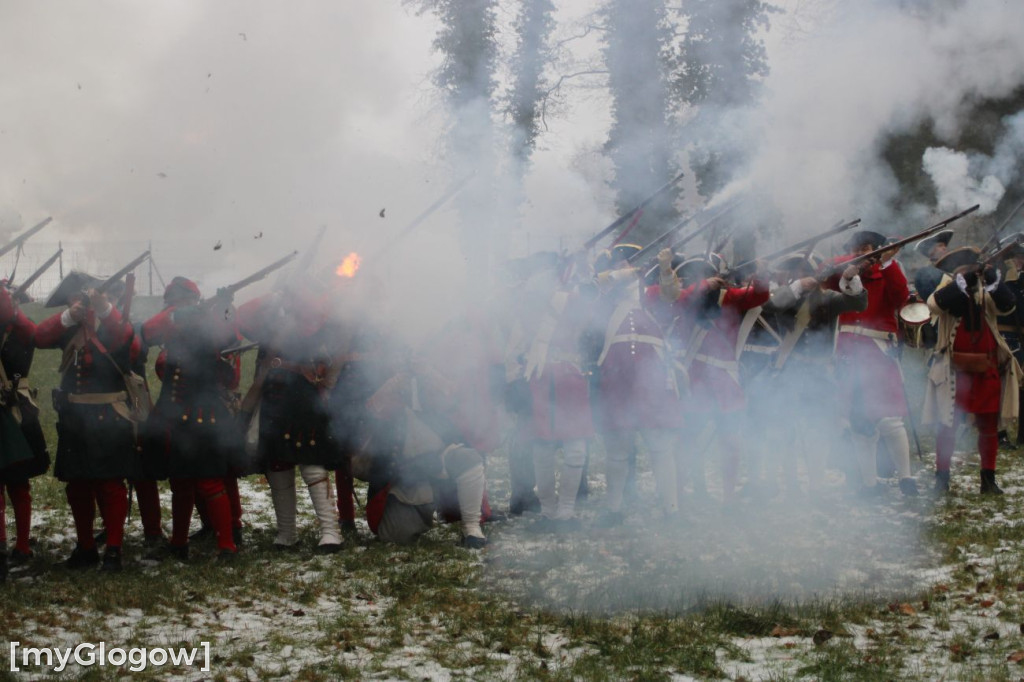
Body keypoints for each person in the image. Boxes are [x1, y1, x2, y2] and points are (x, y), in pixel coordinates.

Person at [34, 273, 141, 571]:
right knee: (77, 486)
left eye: (82, 299)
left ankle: (114, 550)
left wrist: (104, 307)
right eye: (73, 299)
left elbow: (125, 336)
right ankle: (86, 546)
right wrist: (68, 316)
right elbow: (39, 337)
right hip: (75, 418)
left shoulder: (112, 323)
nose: (79, 303)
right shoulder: (69, 327)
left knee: (110, 484)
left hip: (109, 415)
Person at [236, 281, 344, 552]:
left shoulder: (319, 324)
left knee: (312, 466)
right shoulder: (273, 323)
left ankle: (331, 531)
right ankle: (286, 533)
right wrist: (275, 293)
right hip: (274, 400)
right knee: (278, 468)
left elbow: (322, 366)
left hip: (305, 403)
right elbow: (242, 317)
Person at [654, 250, 771, 504]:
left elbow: (759, 295)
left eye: (708, 274)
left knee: (730, 442)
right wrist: (703, 285)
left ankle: (728, 497)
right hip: (695, 380)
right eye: (698, 275)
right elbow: (673, 295)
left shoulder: (729, 297)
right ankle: (684, 494)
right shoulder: (685, 298)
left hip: (726, 382)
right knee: (688, 441)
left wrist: (762, 274)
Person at [140, 277, 243, 560]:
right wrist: (178, 313)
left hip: (205, 415)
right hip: (173, 418)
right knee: (181, 483)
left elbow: (230, 338)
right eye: (174, 302)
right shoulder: (171, 323)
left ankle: (227, 545)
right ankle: (178, 542)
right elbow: (148, 330)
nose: (177, 306)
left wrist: (223, 307)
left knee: (210, 482)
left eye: (182, 301)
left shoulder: (211, 323)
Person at [756, 253, 868, 496]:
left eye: (802, 272)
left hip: (820, 374)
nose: (797, 276)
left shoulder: (828, 299)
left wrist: (850, 279)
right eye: (795, 274)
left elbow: (858, 304)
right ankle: (789, 484)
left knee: (818, 430)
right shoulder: (788, 296)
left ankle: (816, 486)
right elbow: (769, 306)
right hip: (791, 372)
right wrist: (797, 286)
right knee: (785, 430)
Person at [590, 245, 680, 526]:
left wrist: (665, 269)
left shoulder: (648, 293)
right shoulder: (604, 294)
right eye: (620, 262)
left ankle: (672, 510)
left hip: (650, 379)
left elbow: (672, 296)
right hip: (617, 378)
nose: (626, 266)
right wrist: (625, 274)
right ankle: (613, 509)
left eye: (629, 262)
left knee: (660, 447)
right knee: (617, 449)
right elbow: (595, 287)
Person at [355, 359, 488, 548]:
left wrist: (427, 373)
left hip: (438, 464)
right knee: (396, 535)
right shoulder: (381, 385)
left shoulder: (428, 382)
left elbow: (451, 395)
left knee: (469, 459)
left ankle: (472, 529)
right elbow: (369, 412)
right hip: (403, 482)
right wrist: (392, 384)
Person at [923, 247, 1020, 494]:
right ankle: (941, 478)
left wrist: (991, 280)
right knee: (948, 424)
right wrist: (963, 283)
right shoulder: (949, 289)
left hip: (986, 368)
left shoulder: (985, 290)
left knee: (989, 426)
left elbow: (1008, 306)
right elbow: (934, 305)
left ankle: (988, 479)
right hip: (953, 371)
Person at [831, 231, 918, 497]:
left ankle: (906, 478)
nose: (859, 252)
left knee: (890, 419)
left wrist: (888, 262)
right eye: (856, 248)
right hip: (847, 352)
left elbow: (901, 299)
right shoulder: (843, 273)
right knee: (858, 421)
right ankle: (869, 483)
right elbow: (830, 269)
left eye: (865, 248)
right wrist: (858, 262)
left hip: (878, 351)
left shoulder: (888, 273)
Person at [0, 284, 48, 580]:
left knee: (18, 485)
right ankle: (17, 546)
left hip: (14, 412)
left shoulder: (18, 330)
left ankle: (18, 545)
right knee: (18, 486)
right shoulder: (19, 329)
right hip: (18, 413)